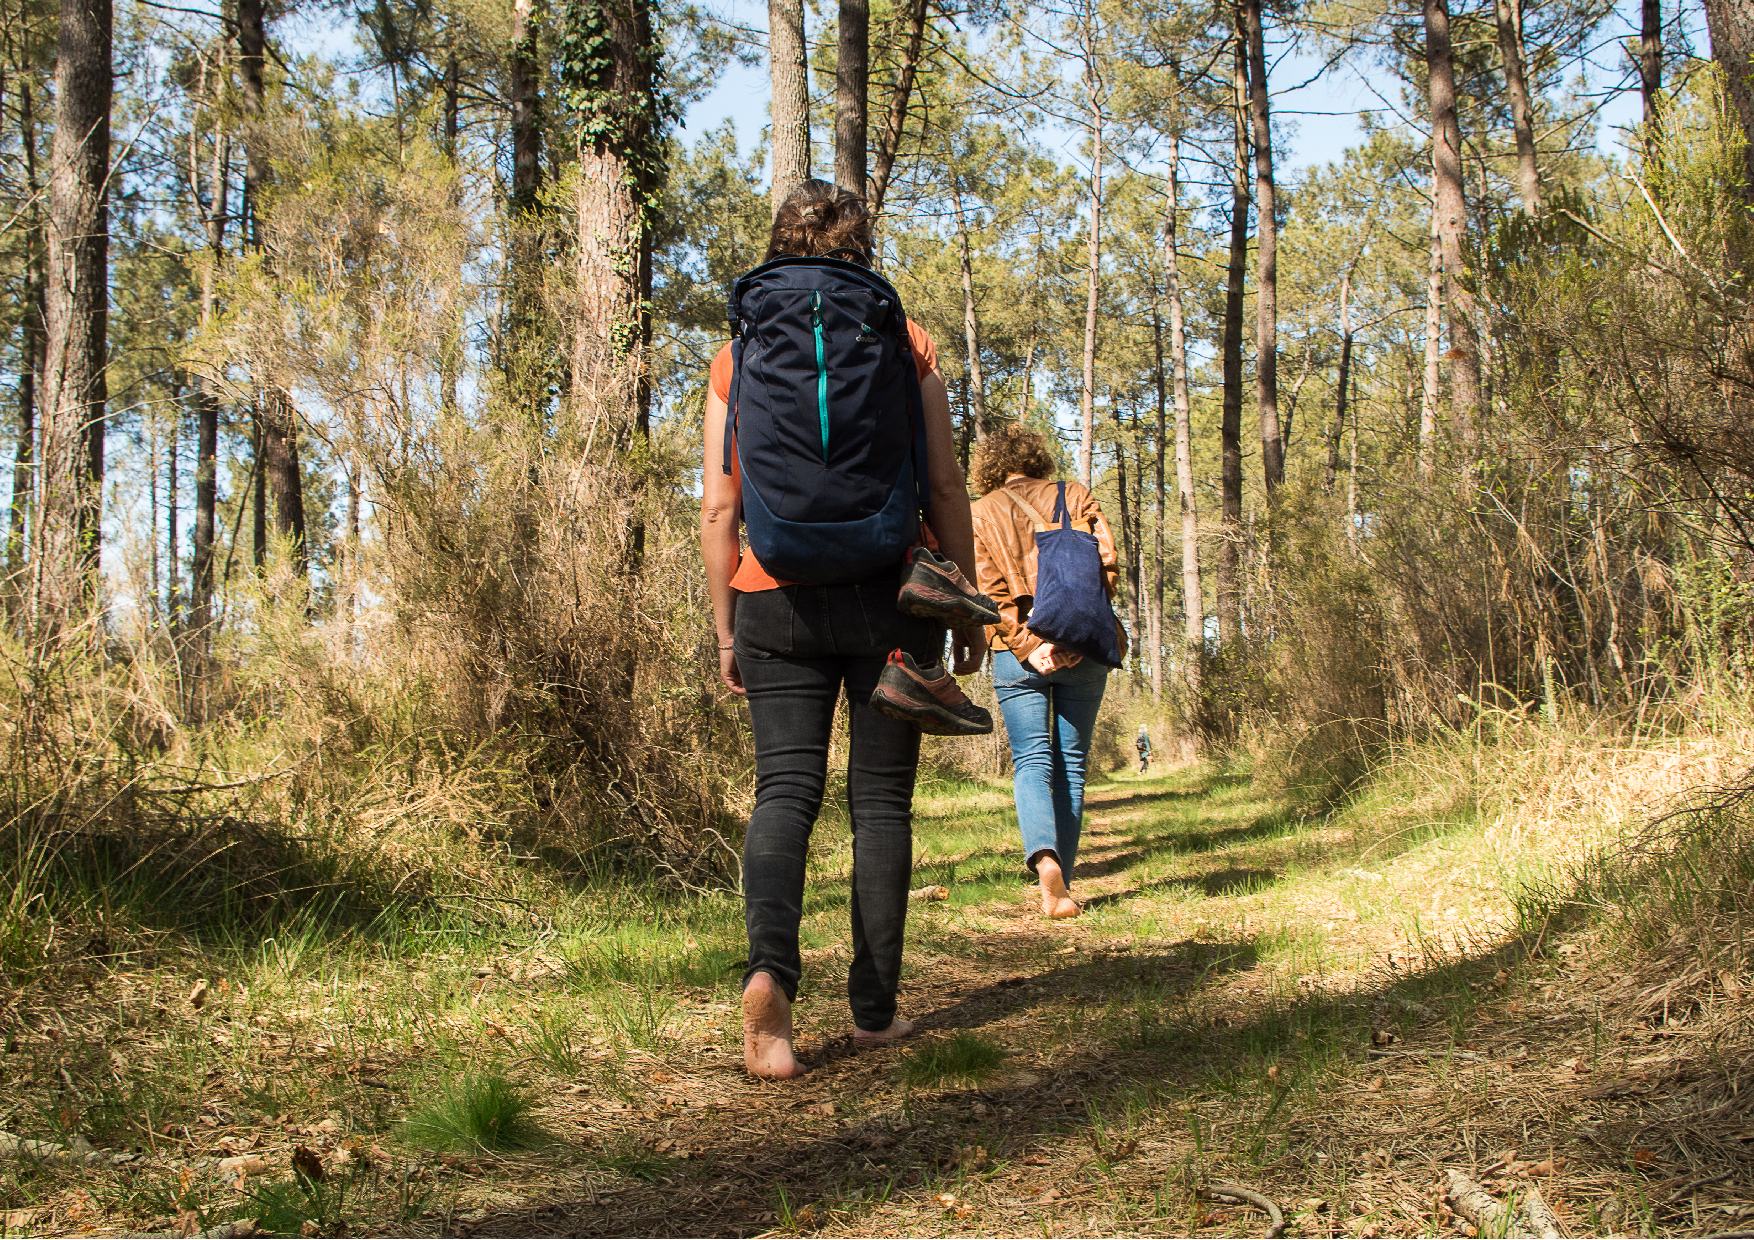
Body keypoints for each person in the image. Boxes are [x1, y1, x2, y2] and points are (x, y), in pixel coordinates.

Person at [699, 179, 988, 1078]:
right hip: (888, 595)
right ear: (862, 246)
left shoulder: (737, 352)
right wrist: (968, 594)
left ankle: (770, 981)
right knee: (879, 805)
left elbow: (718, 507)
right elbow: (943, 485)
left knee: (784, 791)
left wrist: (725, 628)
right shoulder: (905, 341)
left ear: (779, 242)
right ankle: (873, 1011)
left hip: (771, 594)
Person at [969, 425, 1125, 920]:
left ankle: (1046, 866)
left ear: (989, 466)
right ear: (1037, 458)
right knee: (1072, 766)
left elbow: (985, 591)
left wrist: (1028, 643)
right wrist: (1070, 634)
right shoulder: (1076, 495)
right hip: (1082, 647)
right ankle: (1065, 883)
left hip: (1017, 655)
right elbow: (1107, 566)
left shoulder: (980, 512)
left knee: (1032, 760)